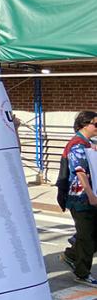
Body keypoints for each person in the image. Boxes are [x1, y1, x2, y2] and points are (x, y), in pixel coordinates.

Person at [60, 111, 97, 286]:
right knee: (87, 237)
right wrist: (91, 195)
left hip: (88, 196)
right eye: (96, 124)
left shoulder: (87, 143)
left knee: (88, 234)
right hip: (81, 198)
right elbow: (80, 173)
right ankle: (82, 273)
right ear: (85, 125)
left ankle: (72, 254)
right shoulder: (77, 145)